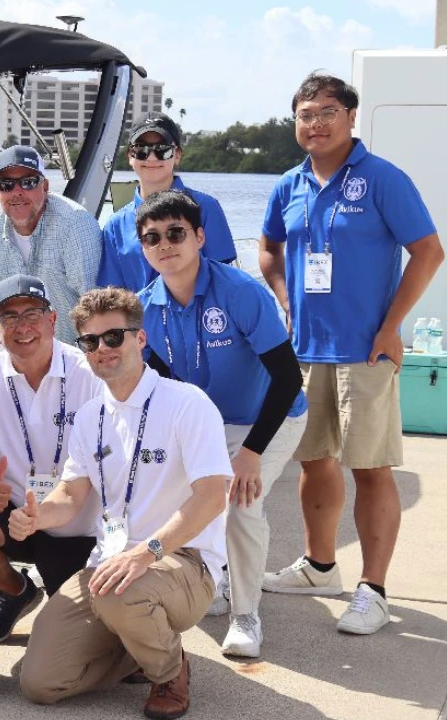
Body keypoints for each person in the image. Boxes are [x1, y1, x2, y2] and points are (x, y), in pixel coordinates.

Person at [259, 73, 444, 635]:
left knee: (370, 467)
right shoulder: (288, 184)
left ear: (351, 116)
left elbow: (429, 252)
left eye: (326, 111)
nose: (314, 123)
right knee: (314, 463)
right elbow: (268, 248)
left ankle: (374, 589)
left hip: (366, 352)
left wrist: (392, 326)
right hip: (305, 351)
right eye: (305, 114)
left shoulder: (382, 178)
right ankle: (320, 567)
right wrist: (286, 300)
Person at [15, 287, 229, 720]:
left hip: (181, 560)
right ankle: (136, 648)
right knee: (40, 683)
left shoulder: (187, 404)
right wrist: (39, 516)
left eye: (113, 337)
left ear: (140, 339)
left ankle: (169, 669)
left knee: (122, 592)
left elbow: (212, 497)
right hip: (109, 564)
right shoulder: (90, 417)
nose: (102, 349)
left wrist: (146, 553)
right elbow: (71, 495)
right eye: (90, 342)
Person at [136, 190, 307, 658]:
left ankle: (246, 614)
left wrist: (251, 453)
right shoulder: (145, 307)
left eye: (175, 233)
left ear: (199, 236)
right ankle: (213, 579)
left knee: (241, 502)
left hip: (271, 416)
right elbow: (160, 379)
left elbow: (289, 378)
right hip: (210, 422)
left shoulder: (240, 291)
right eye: (152, 238)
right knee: (187, 500)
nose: (164, 244)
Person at [0, 274, 101, 643]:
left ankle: (72, 598)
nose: (22, 327)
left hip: (78, 525)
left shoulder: (90, 372)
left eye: (32, 313)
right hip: (15, 517)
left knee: (81, 643)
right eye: (10, 317)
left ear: (53, 319)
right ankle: (16, 591)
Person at [0, 145, 101, 359]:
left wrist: (90, 371)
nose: (17, 192)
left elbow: (93, 305)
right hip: (17, 360)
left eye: (28, 182)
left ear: (45, 186)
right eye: (6, 185)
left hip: (76, 359)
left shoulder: (75, 224)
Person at [97, 112, 237, 292]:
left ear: (177, 155)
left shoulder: (206, 208)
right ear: (130, 156)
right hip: (140, 318)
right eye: (141, 150)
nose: (152, 158)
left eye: (162, 150)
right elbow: (114, 295)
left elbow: (223, 281)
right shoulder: (115, 226)